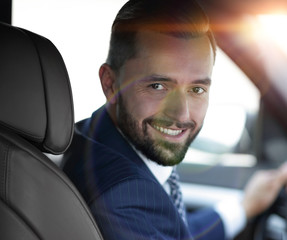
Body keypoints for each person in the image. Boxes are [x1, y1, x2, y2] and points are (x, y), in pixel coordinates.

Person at [62, 0, 287, 239]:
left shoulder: (96, 136)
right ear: (110, 84)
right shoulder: (122, 197)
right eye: (158, 86)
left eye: (197, 89)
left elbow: (171, 230)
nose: (182, 115)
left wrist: (242, 208)